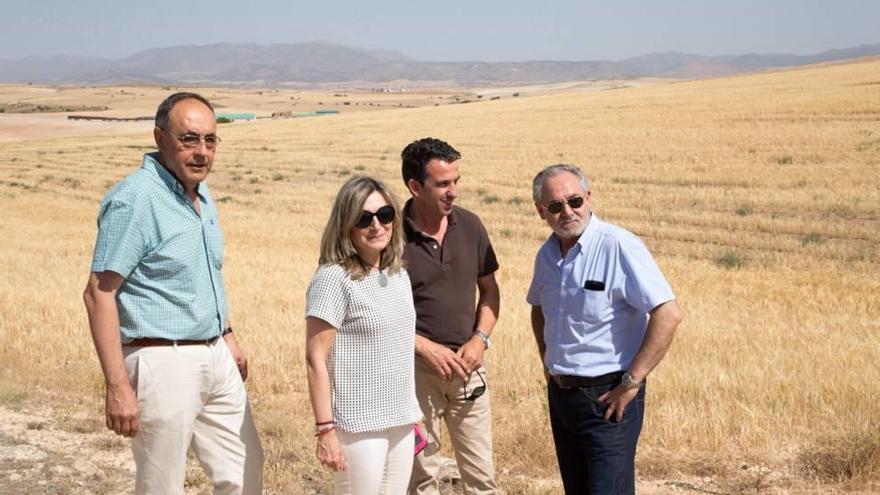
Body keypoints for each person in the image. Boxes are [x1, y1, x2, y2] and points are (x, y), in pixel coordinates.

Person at [82, 92, 263, 494]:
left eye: (210, 140)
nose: (202, 152)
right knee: (162, 484)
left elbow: (204, 273)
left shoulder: (199, 193)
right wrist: (117, 386)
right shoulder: (136, 200)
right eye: (189, 139)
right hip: (161, 360)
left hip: (214, 354)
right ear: (160, 138)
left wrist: (227, 334)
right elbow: (99, 294)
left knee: (245, 469)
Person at [526, 164, 684, 495]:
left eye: (575, 201)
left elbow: (668, 313)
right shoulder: (547, 256)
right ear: (542, 211)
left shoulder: (618, 246)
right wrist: (548, 364)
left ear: (589, 197)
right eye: (555, 206)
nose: (567, 212)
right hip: (562, 396)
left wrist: (632, 382)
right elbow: (539, 309)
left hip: (609, 398)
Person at [305, 175, 423, 495]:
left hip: (400, 417)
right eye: (363, 218)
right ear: (346, 224)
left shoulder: (397, 274)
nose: (376, 226)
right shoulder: (333, 278)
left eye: (385, 215)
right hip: (357, 423)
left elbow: (397, 347)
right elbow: (315, 359)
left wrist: (411, 413)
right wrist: (326, 430)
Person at [400, 138, 501, 495]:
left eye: (456, 181)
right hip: (412, 375)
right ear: (415, 186)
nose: (454, 191)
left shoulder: (471, 226)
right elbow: (375, 314)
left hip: (467, 369)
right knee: (420, 476)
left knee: (482, 478)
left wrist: (480, 340)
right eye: (443, 184)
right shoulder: (390, 236)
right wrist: (424, 348)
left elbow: (489, 292)